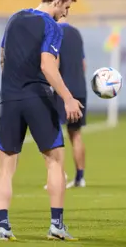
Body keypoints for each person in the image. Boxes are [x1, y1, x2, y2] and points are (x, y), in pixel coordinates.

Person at [0, 0, 83, 241]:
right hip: (37, 98)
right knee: (55, 159)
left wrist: (14, 85)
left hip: (9, 100)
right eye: (66, 7)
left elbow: (3, 57)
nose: (65, 13)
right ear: (57, 2)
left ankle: (2, 226)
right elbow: (47, 65)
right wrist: (67, 97)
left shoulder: (14, 19)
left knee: (6, 166)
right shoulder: (52, 26)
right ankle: (56, 225)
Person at [43, 15, 87, 190]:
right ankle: (80, 177)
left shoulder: (54, 31)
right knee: (75, 134)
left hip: (62, 90)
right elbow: (83, 64)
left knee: (51, 132)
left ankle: (58, 174)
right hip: (80, 89)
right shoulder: (76, 32)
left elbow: (54, 62)